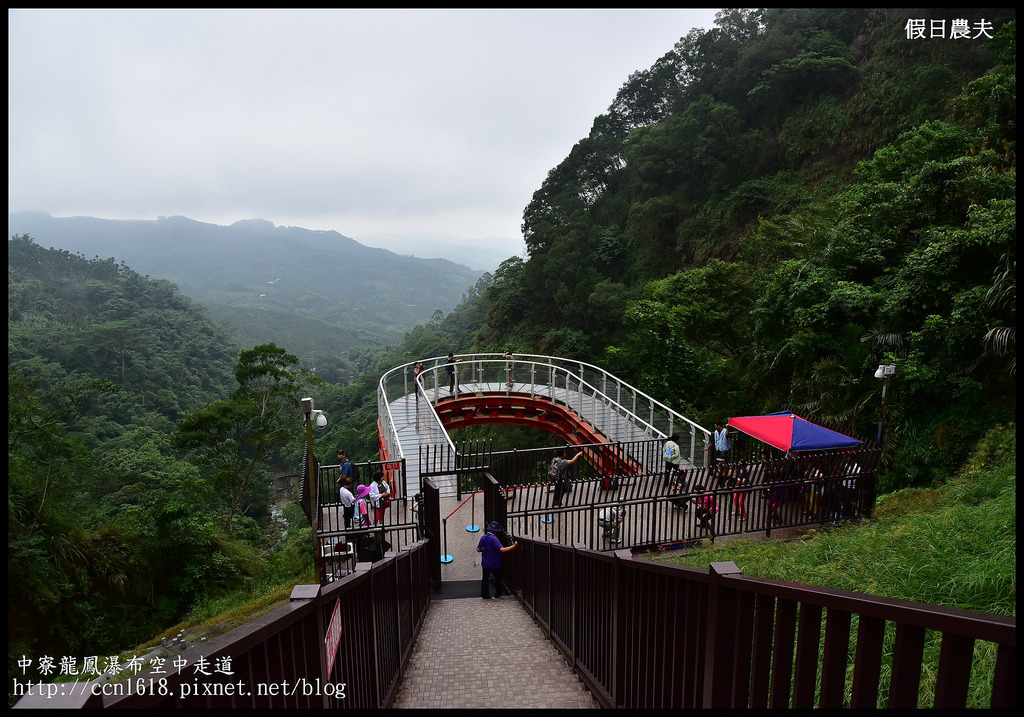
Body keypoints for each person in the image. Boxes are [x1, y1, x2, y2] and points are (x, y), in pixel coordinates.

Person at [477, 520, 518, 599]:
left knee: (485, 578)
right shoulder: (494, 539)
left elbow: (478, 549)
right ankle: (497, 594)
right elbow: (502, 550)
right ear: (496, 531)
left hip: (485, 562)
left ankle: (485, 595)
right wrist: (514, 546)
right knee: (498, 578)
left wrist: (484, 549)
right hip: (495, 562)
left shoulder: (484, 537)